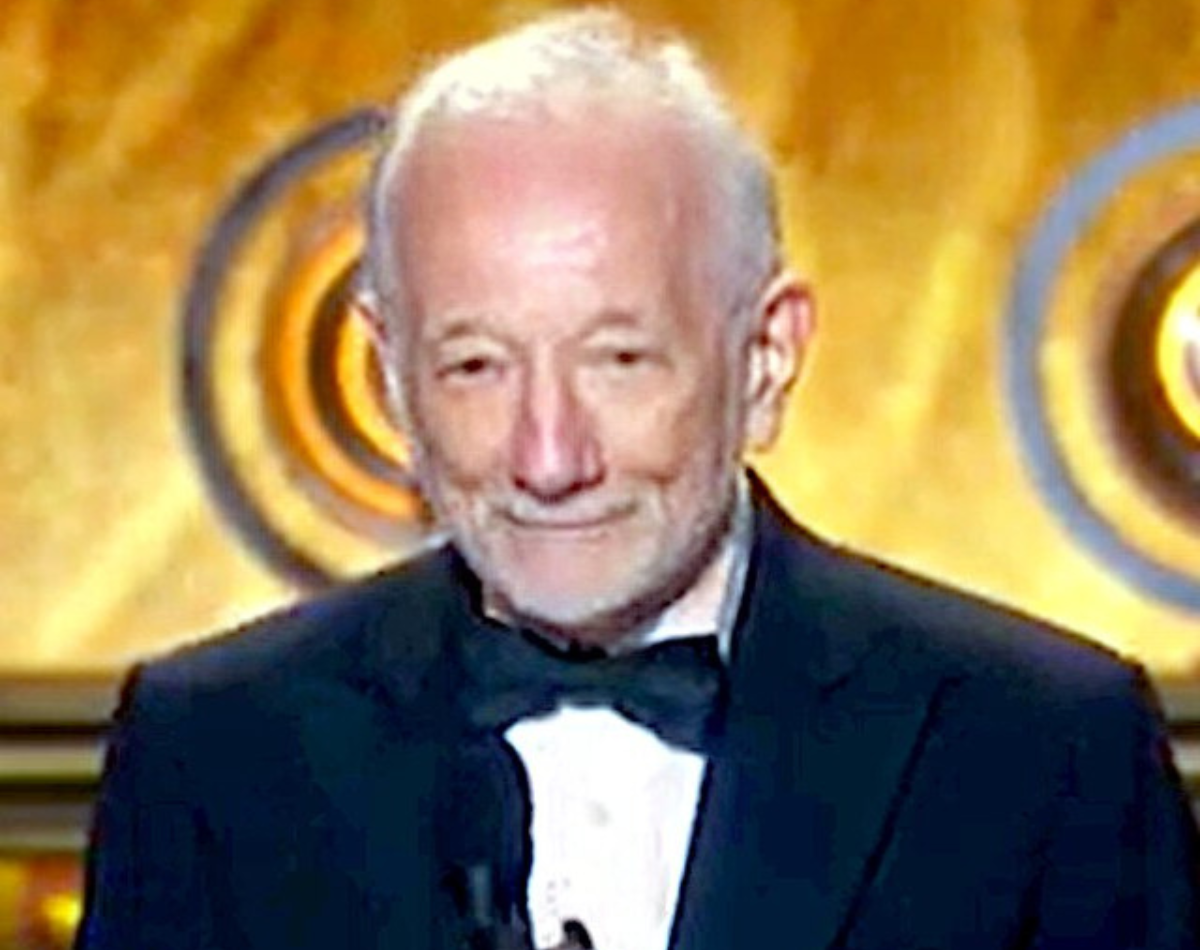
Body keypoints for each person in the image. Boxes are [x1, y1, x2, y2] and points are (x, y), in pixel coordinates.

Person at [75, 9, 1199, 950]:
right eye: (475, 365)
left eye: (619, 360)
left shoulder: (1046, 751)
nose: (548, 458)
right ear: (388, 374)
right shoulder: (214, 756)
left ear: (765, 359)